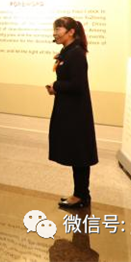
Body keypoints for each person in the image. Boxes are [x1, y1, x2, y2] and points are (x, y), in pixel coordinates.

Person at [47, 16, 98, 209]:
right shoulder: (68, 52)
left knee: (79, 154)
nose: (55, 33)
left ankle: (81, 195)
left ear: (71, 32)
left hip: (76, 112)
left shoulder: (75, 54)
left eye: (58, 29)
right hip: (70, 108)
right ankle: (80, 193)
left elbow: (77, 85)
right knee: (77, 152)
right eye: (54, 29)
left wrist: (56, 86)